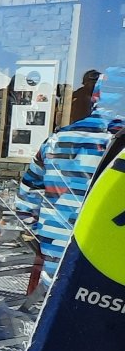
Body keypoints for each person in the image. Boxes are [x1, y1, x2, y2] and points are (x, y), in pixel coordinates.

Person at [17, 108, 122, 282]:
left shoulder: (57, 138)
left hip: (57, 261)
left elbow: (26, 201)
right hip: (109, 268)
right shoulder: (119, 139)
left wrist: (48, 240)